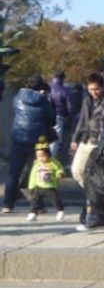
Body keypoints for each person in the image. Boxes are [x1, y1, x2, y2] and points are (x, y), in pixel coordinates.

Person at [2, 75, 55, 213]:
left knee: (14, 172)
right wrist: (45, 98)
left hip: (19, 138)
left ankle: (8, 204)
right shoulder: (43, 100)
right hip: (38, 141)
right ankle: (38, 205)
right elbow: (52, 118)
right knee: (38, 172)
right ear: (40, 87)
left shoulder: (17, 97)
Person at [71, 72, 104, 230]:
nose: (94, 92)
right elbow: (82, 120)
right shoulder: (87, 100)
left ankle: (92, 208)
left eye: (97, 89)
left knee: (95, 176)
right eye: (91, 89)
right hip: (87, 140)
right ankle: (94, 197)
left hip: (100, 142)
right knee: (77, 170)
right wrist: (75, 138)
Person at [26, 139, 65, 222]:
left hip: (50, 186)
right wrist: (31, 186)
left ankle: (60, 210)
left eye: (43, 156)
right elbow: (33, 175)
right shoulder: (37, 163)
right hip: (38, 185)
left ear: (48, 154)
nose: (41, 158)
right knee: (34, 200)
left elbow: (59, 169)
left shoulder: (53, 162)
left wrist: (59, 174)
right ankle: (33, 213)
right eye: (38, 156)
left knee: (55, 199)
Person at [48, 70, 76, 164]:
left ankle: (42, 158)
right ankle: (50, 160)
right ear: (63, 78)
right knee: (55, 141)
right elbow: (70, 107)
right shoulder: (65, 90)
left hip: (46, 115)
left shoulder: (48, 87)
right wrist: (69, 116)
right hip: (59, 116)